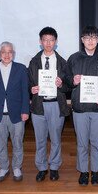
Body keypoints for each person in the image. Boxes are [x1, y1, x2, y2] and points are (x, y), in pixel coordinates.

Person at [65, 25, 98, 186]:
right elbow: (65, 81)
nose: (90, 41)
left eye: (93, 37)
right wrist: (72, 81)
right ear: (82, 40)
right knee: (81, 143)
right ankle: (83, 171)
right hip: (79, 109)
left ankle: (95, 171)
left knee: (96, 142)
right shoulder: (73, 59)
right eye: (87, 38)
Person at [0, 42, 30, 183]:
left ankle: (17, 167)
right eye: (4, 52)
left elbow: (25, 92)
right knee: (0, 144)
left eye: (10, 52)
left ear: (13, 54)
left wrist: (25, 111)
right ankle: (3, 167)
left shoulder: (21, 69)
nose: (7, 55)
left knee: (17, 143)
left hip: (17, 114)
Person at [28, 27, 70, 182]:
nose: (48, 43)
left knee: (55, 138)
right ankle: (41, 167)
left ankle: (54, 167)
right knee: (40, 139)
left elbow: (68, 87)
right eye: (45, 40)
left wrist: (61, 85)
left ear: (56, 42)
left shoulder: (63, 63)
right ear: (40, 42)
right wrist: (30, 89)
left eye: (51, 40)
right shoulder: (33, 61)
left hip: (56, 105)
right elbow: (29, 84)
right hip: (39, 105)